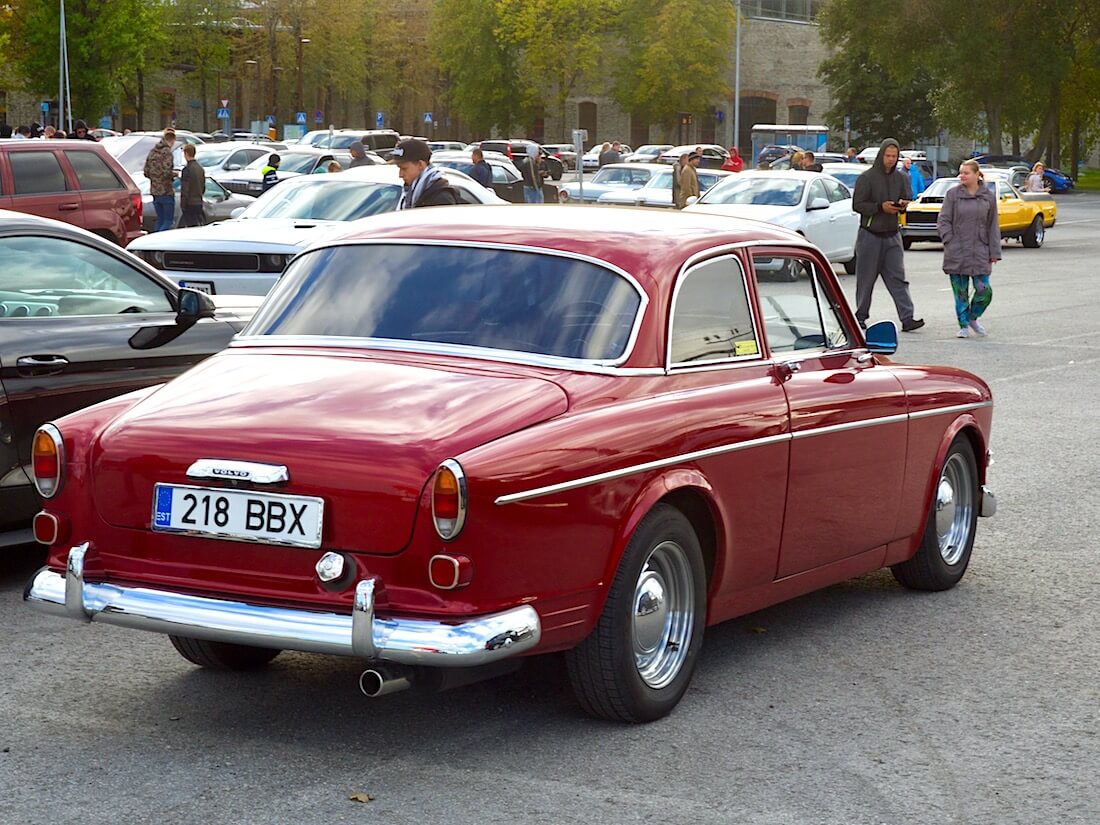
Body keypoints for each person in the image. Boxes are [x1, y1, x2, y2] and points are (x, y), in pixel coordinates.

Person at [851, 137, 924, 332]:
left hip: (892, 235)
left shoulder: (902, 178)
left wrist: (902, 205)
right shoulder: (867, 178)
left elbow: (907, 198)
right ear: (881, 155)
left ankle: (907, 318)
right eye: (888, 155)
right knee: (866, 279)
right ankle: (860, 316)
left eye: (894, 156)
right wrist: (879, 207)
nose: (891, 159)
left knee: (898, 279)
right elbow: (857, 205)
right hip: (870, 235)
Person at [937, 159, 1000, 338]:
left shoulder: (987, 196)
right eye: (961, 172)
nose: (962, 176)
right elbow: (943, 220)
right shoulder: (953, 195)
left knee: (984, 290)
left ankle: (973, 317)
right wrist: (950, 240)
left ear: (976, 175)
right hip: (957, 251)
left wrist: (994, 251)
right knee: (960, 292)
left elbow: (993, 225)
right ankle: (963, 324)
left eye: (966, 173)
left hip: (980, 250)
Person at [390, 138, 458, 209]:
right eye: (399, 168)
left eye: (404, 169)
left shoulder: (441, 199)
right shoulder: (409, 194)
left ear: (420, 164)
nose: (400, 175)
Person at [143, 128, 177, 233]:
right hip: (166, 190)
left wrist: (155, 178)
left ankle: (153, 242)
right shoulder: (167, 153)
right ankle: (160, 243)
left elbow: (146, 171)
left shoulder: (153, 152)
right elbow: (166, 172)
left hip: (154, 190)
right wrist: (175, 174)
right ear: (171, 140)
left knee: (160, 219)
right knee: (168, 221)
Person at [178, 143, 205, 228]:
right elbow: (203, 186)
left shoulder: (187, 170)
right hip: (199, 201)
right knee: (196, 225)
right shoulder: (200, 168)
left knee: (190, 226)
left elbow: (185, 189)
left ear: (186, 153)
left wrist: (183, 204)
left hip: (189, 203)